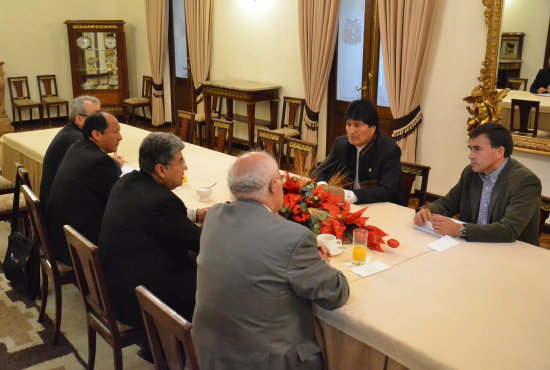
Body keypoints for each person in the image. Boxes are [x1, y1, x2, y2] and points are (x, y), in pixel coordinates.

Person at [193, 151, 349, 369]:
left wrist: (297, 249)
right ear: (275, 185)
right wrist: (319, 261)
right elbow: (335, 294)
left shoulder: (214, 216)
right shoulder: (294, 238)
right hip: (267, 362)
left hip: (209, 353)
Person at [99, 132, 207, 330]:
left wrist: (194, 214)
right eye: (181, 162)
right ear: (160, 169)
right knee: (216, 285)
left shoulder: (127, 181)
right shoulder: (161, 201)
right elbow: (200, 241)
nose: (186, 167)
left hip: (117, 285)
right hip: (140, 302)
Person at [414, 123, 541, 246]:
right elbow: (448, 203)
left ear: (500, 152)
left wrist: (460, 229)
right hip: (474, 246)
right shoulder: (470, 173)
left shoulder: (525, 182)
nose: (470, 156)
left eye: (477, 150)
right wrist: (428, 210)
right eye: (471, 149)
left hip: (515, 254)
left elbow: (509, 230)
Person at [46, 111, 123, 265]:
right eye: (115, 132)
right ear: (96, 134)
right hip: (79, 247)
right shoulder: (98, 161)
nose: (120, 137)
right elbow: (121, 199)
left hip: (61, 237)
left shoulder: (78, 146)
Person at [312, 98, 405, 205]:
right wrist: (323, 185)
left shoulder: (389, 149)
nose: (351, 131)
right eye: (348, 124)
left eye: (357, 125)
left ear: (373, 128)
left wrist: (349, 196)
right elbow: (320, 172)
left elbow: (387, 191)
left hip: (383, 207)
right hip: (351, 206)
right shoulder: (341, 144)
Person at [40, 96, 101, 209]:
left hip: (53, 201)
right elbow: (95, 170)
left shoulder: (69, 132)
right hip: (59, 210)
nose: (102, 120)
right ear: (79, 119)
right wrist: (116, 165)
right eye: (96, 116)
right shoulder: (79, 140)